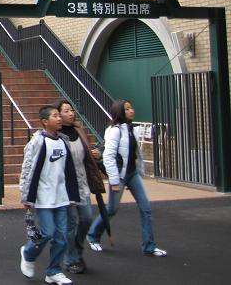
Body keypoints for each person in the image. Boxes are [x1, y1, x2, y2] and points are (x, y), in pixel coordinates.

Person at [86, 99, 167, 257]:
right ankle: (93, 236)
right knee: (112, 209)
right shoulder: (114, 131)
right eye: (127, 109)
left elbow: (135, 153)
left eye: (131, 107)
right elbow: (109, 156)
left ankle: (149, 246)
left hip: (132, 173)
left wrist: (139, 171)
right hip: (119, 175)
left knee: (146, 208)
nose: (131, 111)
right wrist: (114, 181)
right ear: (120, 112)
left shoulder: (132, 129)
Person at [19, 105, 79, 285]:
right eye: (55, 116)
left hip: (61, 197)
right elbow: (27, 167)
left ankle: (54, 271)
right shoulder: (37, 142)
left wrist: (73, 194)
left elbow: (69, 170)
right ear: (45, 122)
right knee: (47, 233)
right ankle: (28, 253)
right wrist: (25, 194)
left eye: (59, 115)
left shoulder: (64, 141)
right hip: (43, 196)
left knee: (61, 238)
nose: (59, 118)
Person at [55, 100, 105, 275]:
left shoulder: (79, 130)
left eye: (71, 110)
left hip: (82, 182)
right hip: (66, 186)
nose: (71, 113)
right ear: (58, 115)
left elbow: (86, 153)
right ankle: (71, 259)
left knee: (86, 218)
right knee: (70, 224)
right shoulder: (56, 136)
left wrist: (93, 154)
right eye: (66, 111)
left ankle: (76, 248)